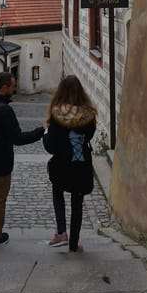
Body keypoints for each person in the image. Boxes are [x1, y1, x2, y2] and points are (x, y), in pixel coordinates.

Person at [0, 72, 44, 245]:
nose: (14, 88)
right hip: (0, 164)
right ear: (4, 87)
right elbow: (18, 139)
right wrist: (40, 132)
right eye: (12, 86)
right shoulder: (5, 110)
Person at [43, 75, 97, 253]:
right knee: (77, 202)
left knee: (57, 190)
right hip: (81, 165)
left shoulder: (58, 115)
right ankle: (74, 244)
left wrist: (46, 135)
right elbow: (88, 137)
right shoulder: (88, 116)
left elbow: (51, 146)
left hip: (61, 165)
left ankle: (61, 232)